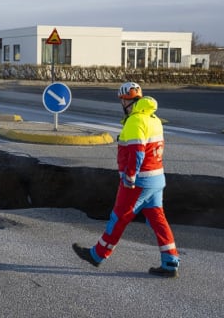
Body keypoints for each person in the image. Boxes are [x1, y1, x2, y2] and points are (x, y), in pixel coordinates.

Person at [72, 82, 180, 278]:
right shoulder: (153, 118)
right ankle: (170, 261)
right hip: (156, 178)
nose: (121, 103)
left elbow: (137, 152)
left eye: (122, 100)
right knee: (158, 220)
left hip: (139, 181)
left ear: (126, 101)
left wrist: (130, 176)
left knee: (119, 217)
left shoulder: (135, 121)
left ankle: (97, 254)